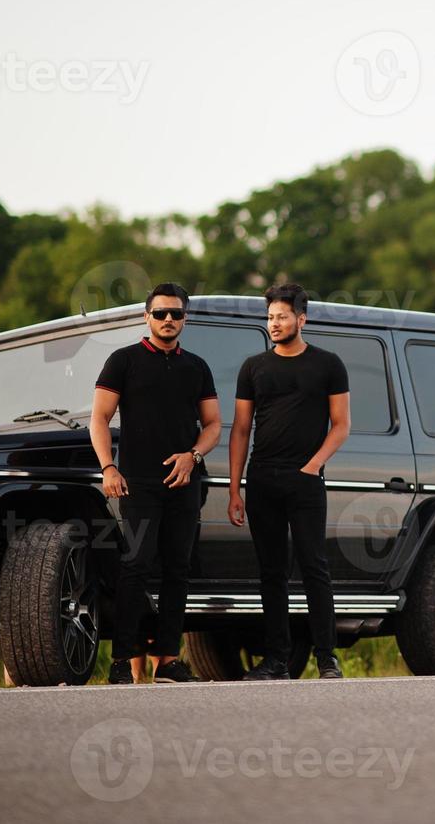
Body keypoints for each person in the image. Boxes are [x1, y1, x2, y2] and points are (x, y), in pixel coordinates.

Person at [91, 283, 221, 685]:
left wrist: (193, 455)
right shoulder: (123, 361)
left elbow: (213, 424)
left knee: (178, 572)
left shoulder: (197, 366)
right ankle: (121, 662)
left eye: (176, 314)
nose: (169, 320)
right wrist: (108, 468)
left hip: (185, 484)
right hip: (138, 484)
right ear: (146, 317)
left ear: (185, 319)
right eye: (161, 313)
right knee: (134, 566)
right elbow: (98, 419)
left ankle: (167, 662)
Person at [228, 282, 351, 680]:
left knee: (315, 566)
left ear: (302, 318)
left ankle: (327, 658)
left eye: (282, 316)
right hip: (262, 479)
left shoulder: (328, 364)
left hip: (306, 480)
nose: (274, 324)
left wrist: (313, 466)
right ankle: (277, 660)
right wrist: (235, 487)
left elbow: (341, 425)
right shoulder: (253, 367)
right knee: (272, 571)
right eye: (270, 317)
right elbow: (241, 429)